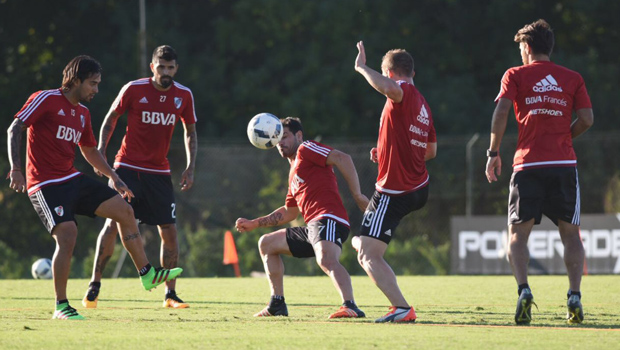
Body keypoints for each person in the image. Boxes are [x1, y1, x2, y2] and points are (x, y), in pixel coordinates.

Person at [7, 55, 183, 320]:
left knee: (124, 210)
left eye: (98, 84)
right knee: (68, 235)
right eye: (92, 83)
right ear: (75, 81)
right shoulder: (46, 99)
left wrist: (115, 177)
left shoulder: (83, 113)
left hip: (71, 179)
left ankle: (147, 274)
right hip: (44, 183)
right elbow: (15, 128)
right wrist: (16, 169)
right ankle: (61, 306)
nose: (96, 90)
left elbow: (89, 150)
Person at [485, 19, 593, 325]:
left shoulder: (515, 75)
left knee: (518, 235)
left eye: (521, 47)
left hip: (527, 165)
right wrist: (564, 137)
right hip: (563, 165)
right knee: (571, 235)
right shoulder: (572, 78)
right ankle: (574, 295)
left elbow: (502, 111)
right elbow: (587, 118)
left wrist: (493, 153)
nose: (520, 52)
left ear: (528, 47)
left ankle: (523, 291)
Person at [82, 45, 197, 309]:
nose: (165, 72)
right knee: (112, 224)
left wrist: (190, 167)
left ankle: (170, 294)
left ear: (176, 69)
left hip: (159, 172)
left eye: (170, 67)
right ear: (152, 67)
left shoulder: (184, 95)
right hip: (126, 167)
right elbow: (111, 119)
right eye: (161, 66)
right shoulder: (134, 89)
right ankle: (94, 284)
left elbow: (190, 131)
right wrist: (100, 151)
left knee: (169, 229)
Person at [235, 117, 369, 319]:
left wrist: (358, 195)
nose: (280, 141)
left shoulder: (306, 148)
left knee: (326, 259)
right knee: (267, 244)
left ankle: (350, 305)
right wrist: (255, 223)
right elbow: (290, 212)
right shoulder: (293, 172)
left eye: (285, 136)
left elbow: (343, 158)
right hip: (313, 226)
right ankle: (277, 304)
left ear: (299, 135)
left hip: (329, 218)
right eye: (277, 138)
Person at [352, 41, 437, 323]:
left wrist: (362, 68)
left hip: (394, 191)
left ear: (389, 73)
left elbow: (391, 89)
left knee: (367, 255)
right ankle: (398, 306)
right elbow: (430, 151)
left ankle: (402, 308)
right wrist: (389, 152)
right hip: (418, 187)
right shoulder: (423, 104)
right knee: (367, 248)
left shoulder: (402, 92)